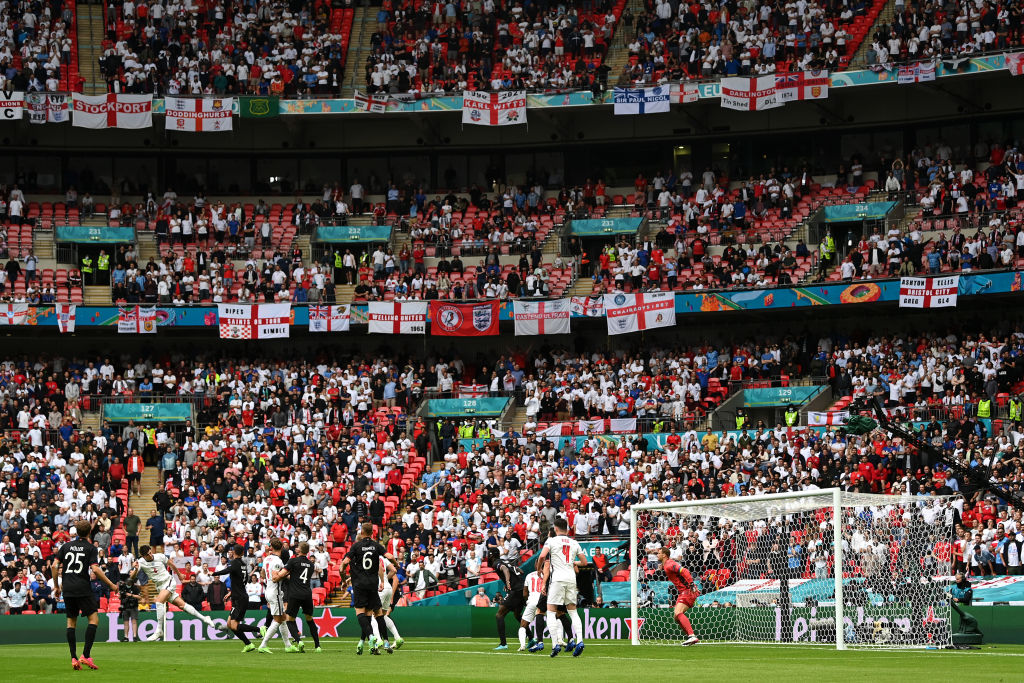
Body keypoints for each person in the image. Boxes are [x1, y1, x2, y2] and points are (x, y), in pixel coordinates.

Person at [52, 520, 118, 670]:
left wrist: (56, 586)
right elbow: (95, 569)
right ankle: (86, 655)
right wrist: (111, 584)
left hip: (67, 589)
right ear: (89, 533)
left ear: (76, 532)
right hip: (82, 587)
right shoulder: (90, 548)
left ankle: (74, 658)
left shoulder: (65, 546)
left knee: (71, 623)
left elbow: (54, 566)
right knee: (93, 620)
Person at [129, 545, 217, 641]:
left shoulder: (159, 556)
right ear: (143, 556)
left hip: (168, 581)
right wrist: (136, 569)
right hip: (160, 587)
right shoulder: (141, 562)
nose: (150, 555)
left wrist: (179, 575)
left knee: (158, 602)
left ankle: (159, 630)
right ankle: (205, 618)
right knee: (182, 605)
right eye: (148, 555)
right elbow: (132, 577)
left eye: (150, 552)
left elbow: (171, 564)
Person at [537, 519, 589, 657]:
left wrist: (538, 569)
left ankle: (555, 645)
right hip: (571, 579)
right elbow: (584, 562)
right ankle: (580, 641)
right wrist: (572, 562)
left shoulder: (551, 541)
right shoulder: (574, 542)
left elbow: (542, 556)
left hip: (558, 579)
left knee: (551, 611)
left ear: (555, 528)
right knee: (573, 611)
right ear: (567, 529)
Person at [341, 522, 388, 655]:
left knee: (363, 615)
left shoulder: (355, 554)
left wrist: (344, 580)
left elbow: (346, 566)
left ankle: (368, 640)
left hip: (360, 586)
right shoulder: (371, 550)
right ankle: (369, 644)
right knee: (370, 615)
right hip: (371, 584)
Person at [212, 543, 262, 652]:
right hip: (238, 596)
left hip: (239, 598)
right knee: (230, 624)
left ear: (234, 553)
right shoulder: (243, 564)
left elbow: (226, 571)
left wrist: (214, 573)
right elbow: (242, 581)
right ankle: (248, 644)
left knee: (234, 626)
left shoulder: (235, 563)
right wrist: (231, 593)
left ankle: (259, 629)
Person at [277, 541, 322, 653]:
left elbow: (282, 574)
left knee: (289, 620)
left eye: (297, 547)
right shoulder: (311, 565)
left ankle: (299, 641)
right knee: (309, 619)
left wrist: (278, 575)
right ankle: (317, 646)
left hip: (295, 594)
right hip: (307, 593)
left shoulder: (293, 561)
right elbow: (300, 576)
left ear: (299, 550)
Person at [257, 538, 293, 653]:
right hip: (275, 592)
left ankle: (288, 645)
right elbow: (275, 577)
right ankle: (263, 644)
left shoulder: (267, 558)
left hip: (268, 590)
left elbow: (262, 574)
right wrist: (287, 575)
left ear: (271, 547)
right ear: (281, 548)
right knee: (277, 620)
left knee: (282, 618)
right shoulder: (278, 561)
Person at [658, 547, 700, 645]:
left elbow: (684, 571)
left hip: (687, 591)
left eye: (659, 553)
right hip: (684, 592)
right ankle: (691, 637)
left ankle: (692, 636)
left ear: (664, 555)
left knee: (678, 613)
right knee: (676, 617)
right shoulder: (666, 564)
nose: (657, 555)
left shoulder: (669, 564)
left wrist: (691, 584)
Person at [490, 546, 525, 650]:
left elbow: (505, 570)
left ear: (491, 555)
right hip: (522, 589)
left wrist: (508, 582)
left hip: (515, 590)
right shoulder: (505, 561)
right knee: (517, 614)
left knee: (499, 615)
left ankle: (503, 644)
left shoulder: (496, 563)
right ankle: (532, 639)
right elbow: (520, 570)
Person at [374, 551, 403, 650]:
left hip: (380, 589)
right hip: (388, 588)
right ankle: (397, 637)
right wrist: (385, 579)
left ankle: (378, 640)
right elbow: (394, 570)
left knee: (374, 616)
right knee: (384, 616)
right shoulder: (384, 559)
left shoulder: (371, 559)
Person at [118, 578, 141, 643]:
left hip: (133, 606)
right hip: (125, 606)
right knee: (126, 622)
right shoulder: (123, 588)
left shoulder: (135, 588)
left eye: (129, 583)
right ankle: (126, 637)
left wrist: (131, 595)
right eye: (127, 583)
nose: (128, 584)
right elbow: (119, 597)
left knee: (134, 622)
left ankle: (134, 636)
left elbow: (139, 597)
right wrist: (121, 595)